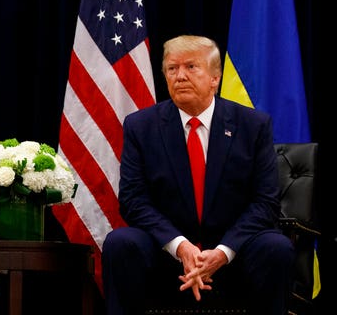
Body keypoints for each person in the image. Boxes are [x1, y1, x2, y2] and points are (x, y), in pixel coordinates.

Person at [101, 35, 294, 314]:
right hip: (167, 256)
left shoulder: (253, 125)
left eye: (191, 67)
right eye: (172, 68)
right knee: (120, 243)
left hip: (234, 255)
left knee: (276, 247)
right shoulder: (140, 126)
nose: (180, 76)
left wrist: (223, 252)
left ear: (215, 79)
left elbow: (265, 203)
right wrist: (180, 247)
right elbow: (133, 200)